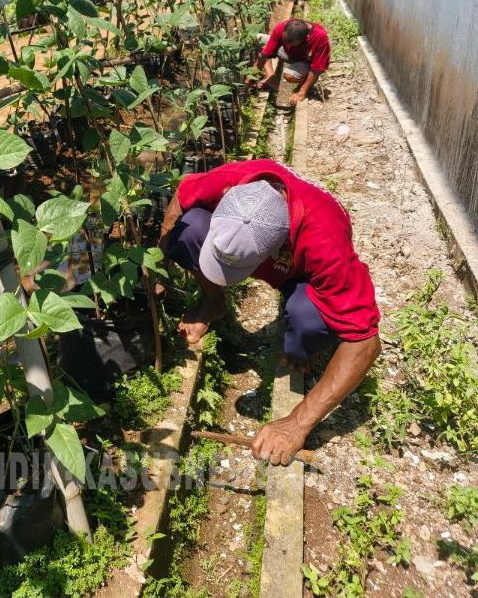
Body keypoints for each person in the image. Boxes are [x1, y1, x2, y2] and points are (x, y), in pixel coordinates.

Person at [158, 158, 381, 465]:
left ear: (273, 252)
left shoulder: (324, 242)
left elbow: (365, 341)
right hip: (265, 244)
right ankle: (213, 301)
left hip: (300, 273)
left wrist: (296, 423)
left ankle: (303, 349)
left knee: (307, 317)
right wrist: (159, 262)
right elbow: (182, 197)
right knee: (188, 230)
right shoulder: (232, 180)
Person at [256, 18, 331, 105]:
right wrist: (252, 73)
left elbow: (317, 68)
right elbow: (265, 53)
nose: (288, 45)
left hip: (307, 62)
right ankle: (271, 76)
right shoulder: (281, 27)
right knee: (258, 39)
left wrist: (302, 91)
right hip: (291, 54)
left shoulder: (320, 37)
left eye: (291, 44)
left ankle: (307, 81)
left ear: (305, 39)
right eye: (285, 42)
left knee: (289, 76)